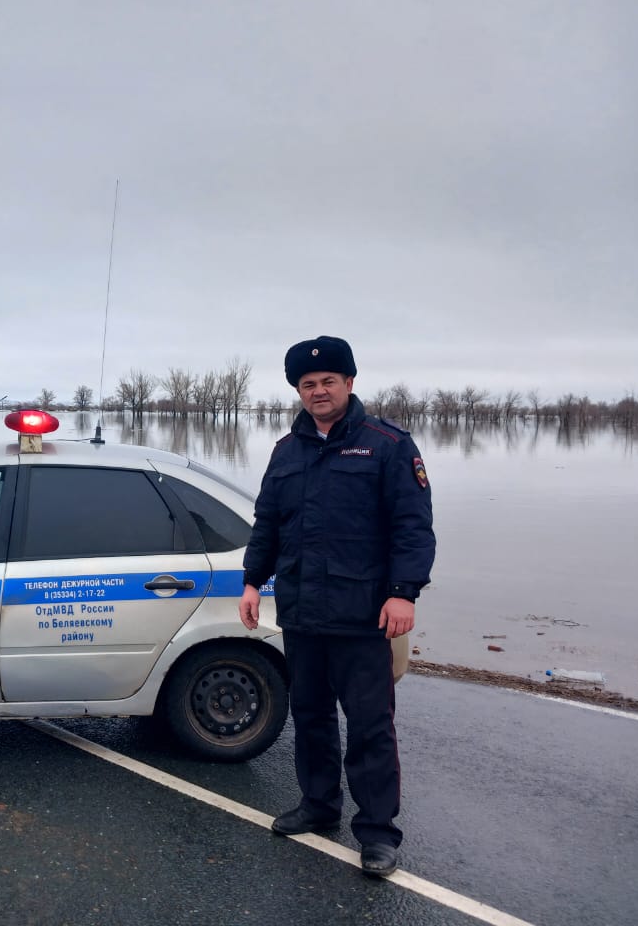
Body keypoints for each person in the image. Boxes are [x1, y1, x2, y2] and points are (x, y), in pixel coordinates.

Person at [239, 336, 435, 878]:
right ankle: (319, 806)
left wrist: (404, 592)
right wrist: (253, 582)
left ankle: (377, 832)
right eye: (308, 384)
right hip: (302, 610)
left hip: (365, 614)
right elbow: (268, 524)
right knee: (312, 716)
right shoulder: (286, 451)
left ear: (349, 382)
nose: (319, 391)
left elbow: (412, 527)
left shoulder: (388, 445)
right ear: (298, 391)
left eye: (329, 382)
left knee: (371, 725)